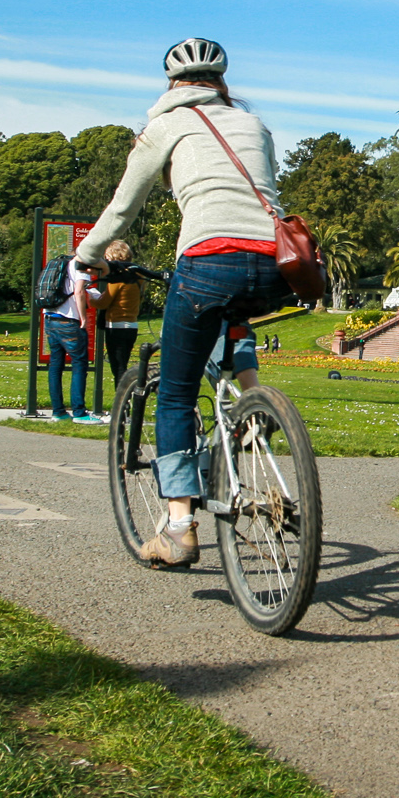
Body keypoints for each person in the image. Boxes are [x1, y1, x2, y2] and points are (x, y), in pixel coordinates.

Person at [74, 37, 293, 569]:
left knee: (174, 395)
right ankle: (251, 403)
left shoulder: (164, 127)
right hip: (277, 263)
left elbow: (123, 207)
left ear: (173, 85)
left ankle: (179, 528)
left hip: (207, 259)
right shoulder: (255, 126)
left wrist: (86, 255)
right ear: (221, 82)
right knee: (232, 318)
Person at [38, 249, 104, 425]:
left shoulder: (61, 263)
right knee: (79, 363)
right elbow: (79, 292)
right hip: (68, 320)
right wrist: (83, 317)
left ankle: (58, 411)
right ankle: (79, 412)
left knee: (55, 364)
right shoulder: (81, 266)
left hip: (50, 318)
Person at [97, 240, 145, 385]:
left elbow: (104, 302)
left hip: (115, 325)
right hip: (131, 325)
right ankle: (125, 400)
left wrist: (89, 297)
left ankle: (122, 401)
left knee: (118, 368)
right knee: (123, 362)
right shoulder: (138, 276)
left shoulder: (118, 278)